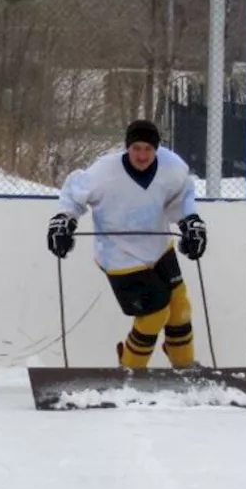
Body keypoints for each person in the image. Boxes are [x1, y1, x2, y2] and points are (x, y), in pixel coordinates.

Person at [46, 119, 208, 369]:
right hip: (120, 255)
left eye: (148, 149)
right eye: (136, 148)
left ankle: (185, 366)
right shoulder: (103, 172)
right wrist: (63, 221)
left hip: (159, 247)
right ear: (127, 147)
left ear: (157, 149)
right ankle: (131, 368)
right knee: (154, 314)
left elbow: (181, 197)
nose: (142, 155)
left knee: (179, 307)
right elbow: (73, 194)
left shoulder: (172, 167)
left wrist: (191, 223)